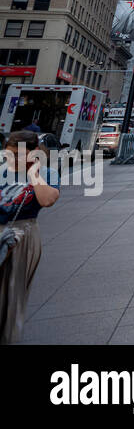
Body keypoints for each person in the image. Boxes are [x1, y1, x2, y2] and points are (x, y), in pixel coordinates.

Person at [0, 131, 59, 343]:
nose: (12, 159)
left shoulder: (46, 173)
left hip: (24, 234)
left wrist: (34, 173)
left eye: (18, 154)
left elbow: (47, 200)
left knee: (13, 294)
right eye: (9, 153)